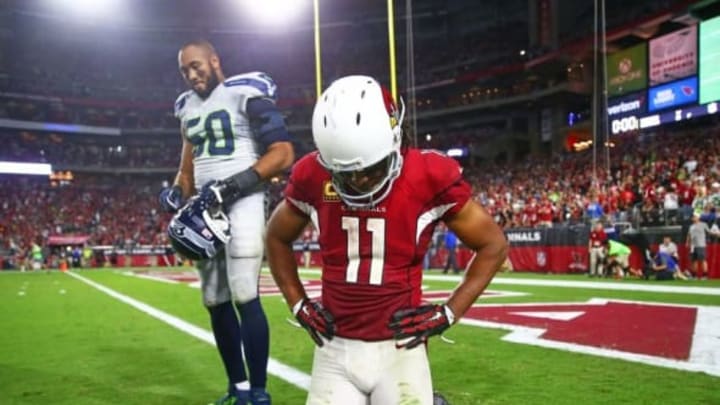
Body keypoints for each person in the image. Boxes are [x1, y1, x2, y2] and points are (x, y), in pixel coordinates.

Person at [265, 75, 508, 405]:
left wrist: (450, 312)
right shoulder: (312, 175)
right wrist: (298, 303)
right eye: (345, 173)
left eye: (369, 169)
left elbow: (493, 244)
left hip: (400, 348)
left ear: (397, 139)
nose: (358, 181)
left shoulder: (426, 175)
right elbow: (276, 237)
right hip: (334, 348)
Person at [158, 39, 294, 405]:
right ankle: (238, 387)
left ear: (214, 61)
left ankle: (260, 390)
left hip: (244, 200)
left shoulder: (245, 92)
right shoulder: (186, 107)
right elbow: (187, 168)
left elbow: (282, 154)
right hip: (205, 207)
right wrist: (176, 190)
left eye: (197, 65)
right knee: (214, 298)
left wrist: (232, 187)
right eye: (185, 69)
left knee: (244, 291)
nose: (191, 74)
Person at [686, 213, 720, 280]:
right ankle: (694, 276)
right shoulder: (691, 226)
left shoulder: (703, 224)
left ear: (698, 218)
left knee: (703, 260)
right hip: (693, 246)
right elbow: (689, 235)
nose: (693, 218)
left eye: (694, 217)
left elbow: (709, 232)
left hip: (701, 245)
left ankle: (705, 275)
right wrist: (687, 242)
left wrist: (716, 234)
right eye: (693, 217)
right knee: (694, 261)